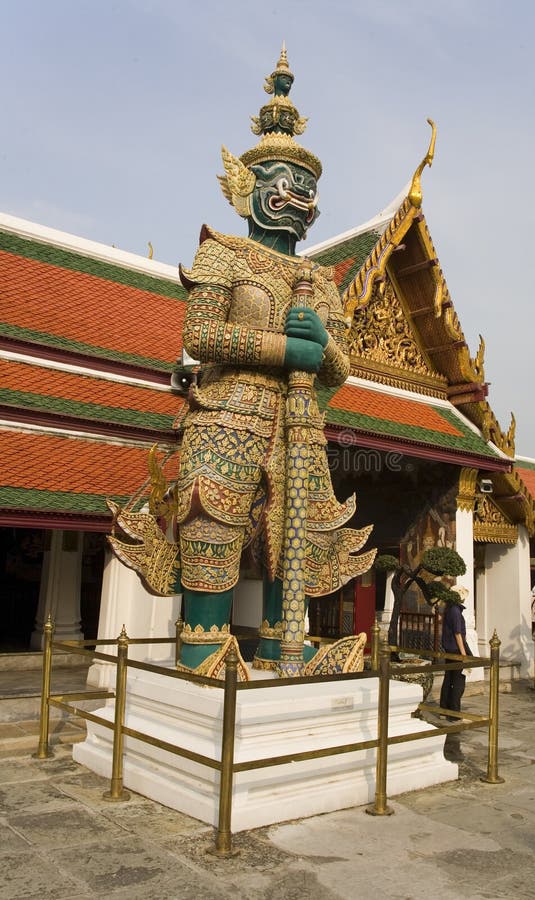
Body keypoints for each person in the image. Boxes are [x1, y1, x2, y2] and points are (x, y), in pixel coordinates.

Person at [108, 47, 374, 677]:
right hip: (226, 412)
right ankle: (203, 641)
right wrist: (288, 347)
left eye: (307, 189)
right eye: (283, 184)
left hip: (296, 419)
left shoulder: (321, 282)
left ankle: (286, 642)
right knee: (213, 519)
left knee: (294, 534)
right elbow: (199, 334)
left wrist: (322, 345)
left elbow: (337, 368)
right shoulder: (224, 254)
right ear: (247, 187)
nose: (298, 199)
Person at [439, 586, 472, 719]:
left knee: (449, 679)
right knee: (458, 682)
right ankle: (453, 712)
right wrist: (464, 654)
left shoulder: (449, 609)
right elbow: (458, 633)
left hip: (449, 647)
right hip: (457, 648)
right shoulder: (455, 611)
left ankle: (444, 710)